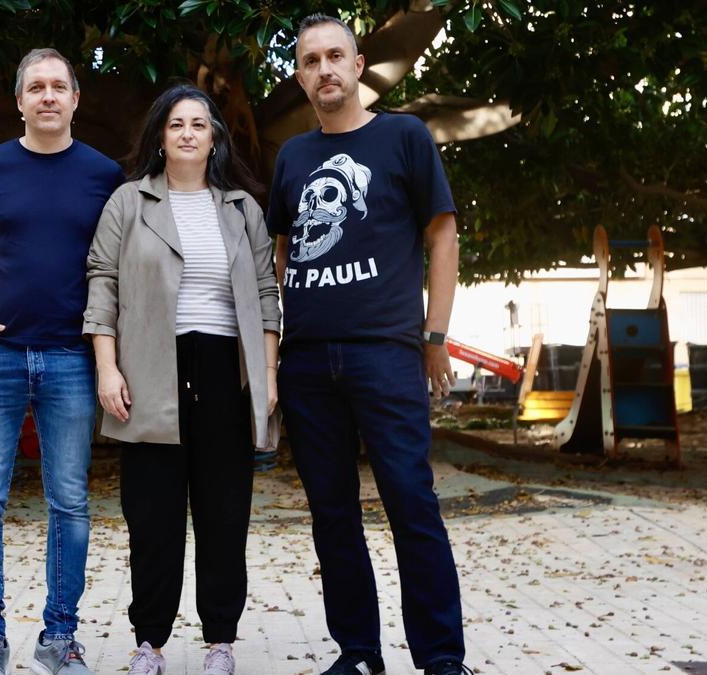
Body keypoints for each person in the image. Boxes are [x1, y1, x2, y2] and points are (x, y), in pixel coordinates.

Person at [266, 14, 470, 675]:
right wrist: (275, 353)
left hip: (385, 352)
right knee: (332, 513)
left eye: (335, 56)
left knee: (411, 500)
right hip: (306, 360)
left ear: (357, 66)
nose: (323, 69)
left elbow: (442, 235)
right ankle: (359, 653)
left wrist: (433, 335)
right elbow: (279, 252)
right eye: (309, 61)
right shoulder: (292, 157)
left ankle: (440, 656)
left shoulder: (404, 137)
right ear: (299, 76)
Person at [0, 48, 123, 675]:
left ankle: (59, 637)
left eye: (57, 87)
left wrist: (108, 356)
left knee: (69, 503)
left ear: (74, 99)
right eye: (34, 87)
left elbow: (119, 269)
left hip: (71, 358)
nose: (47, 96)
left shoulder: (104, 174)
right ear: (19, 101)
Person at [83, 84, 281, 675]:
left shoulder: (243, 208)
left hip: (226, 373)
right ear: (160, 138)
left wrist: (268, 375)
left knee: (225, 516)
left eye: (199, 123)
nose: (189, 133)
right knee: (153, 519)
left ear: (214, 136)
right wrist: (107, 364)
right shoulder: (128, 202)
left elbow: (268, 296)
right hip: (150, 372)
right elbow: (102, 282)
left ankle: (221, 639)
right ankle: (150, 643)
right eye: (176, 125)